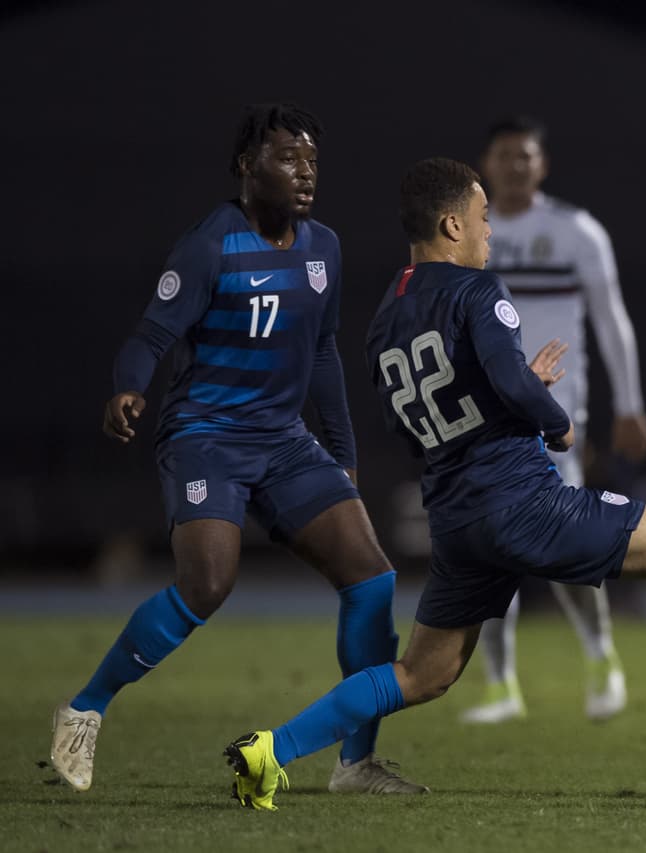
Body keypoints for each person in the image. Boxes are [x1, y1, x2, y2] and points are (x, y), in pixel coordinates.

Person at [221, 158, 646, 811]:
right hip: (523, 500)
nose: (492, 230)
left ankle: (271, 750)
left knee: (421, 674)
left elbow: (421, 426)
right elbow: (517, 387)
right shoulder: (475, 289)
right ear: (451, 225)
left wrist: (513, 400)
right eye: (483, 215)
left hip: (458, 518)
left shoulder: (382, 319)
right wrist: (552, 422)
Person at [50, 103, 425, 796]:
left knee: (372, 579)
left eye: (313, 160)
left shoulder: (325, 248)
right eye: (289, 158)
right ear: (247, 167)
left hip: (284, 441)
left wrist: (341, 452)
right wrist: (128, 387)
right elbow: (150, 336)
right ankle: (85, 708)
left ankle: (356, 762)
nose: (305, 173)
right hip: (205, 436)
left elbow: (322, 352)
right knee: (208, 584)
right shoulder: (209, 244)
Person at [460, 116, 646, 723]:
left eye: (526, 156)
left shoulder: (575, 231)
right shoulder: (466, 233)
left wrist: (629, 406)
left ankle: (602, 658)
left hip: (552, 417)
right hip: (481, 416)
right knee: (486, 549)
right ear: (487, 164)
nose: (516, 165)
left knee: (560, 546)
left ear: (542, 164)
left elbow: (612, 320)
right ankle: (500, 687)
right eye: (505, 155)